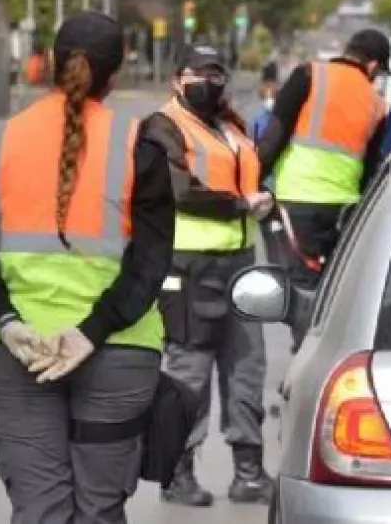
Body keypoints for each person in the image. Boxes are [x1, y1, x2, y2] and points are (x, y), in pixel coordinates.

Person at [0, 11, 175, 523]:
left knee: (39, 510)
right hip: (119, 353)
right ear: (115, 76)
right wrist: (91, 331)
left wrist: (8, 322)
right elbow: (149, 263)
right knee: (99, 509)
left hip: (18, 356)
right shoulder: (138, 146)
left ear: (49, 64)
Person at [141, 44, 276, 507]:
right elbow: (180, 190)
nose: (209, 81)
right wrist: (241, 204)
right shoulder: (162, 126)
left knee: (246, 368)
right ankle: (178, 475)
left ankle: (249, 473)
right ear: (177, 79)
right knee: (188, 375)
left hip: (238, 262)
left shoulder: (231, 123)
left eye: (216, 73)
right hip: (187, 266)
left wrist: (262, 200)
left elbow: (248, 173)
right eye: (199, 73)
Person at [257, 28, 390, 349]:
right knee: (335, 289)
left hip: (298, 200)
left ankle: (305, 359)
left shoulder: (308, 75)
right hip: (346, 209)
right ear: (372, 66)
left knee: (301, 288)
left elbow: (275, 135)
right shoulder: (377, 103)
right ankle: (328, 353)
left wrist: (250, 181)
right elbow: (371, 164)